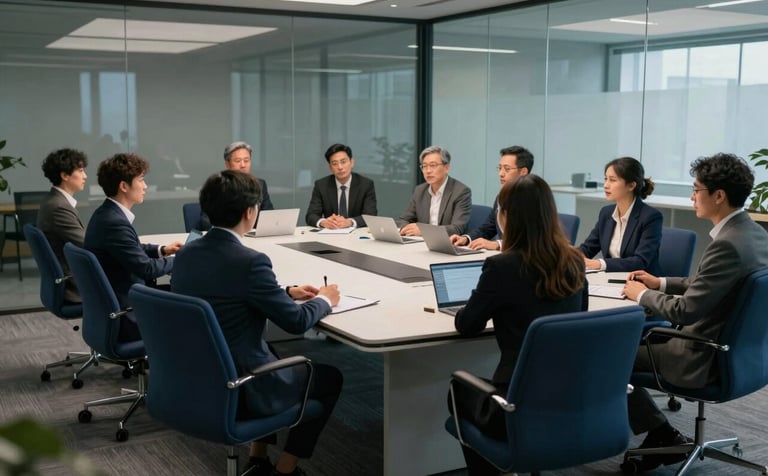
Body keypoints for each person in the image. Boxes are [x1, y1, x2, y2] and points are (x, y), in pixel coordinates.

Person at [171, 170, 343, 476]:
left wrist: (285, 292)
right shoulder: (250, 261)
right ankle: (286, 471)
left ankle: (258, 458)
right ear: (250, 213)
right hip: (239, 382)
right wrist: (325, 299)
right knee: (330, 377)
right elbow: (296, 322)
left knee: (269, 353)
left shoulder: (187, 254)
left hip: (195, 375)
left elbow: (223, 291)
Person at [621, 152, 768, 471]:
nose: (692, 197)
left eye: (696, 189)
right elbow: (709, 285)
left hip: (701, 357)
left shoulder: (726, 245)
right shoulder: (754, 234)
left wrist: (641, 294)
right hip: (743, 356)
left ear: (719, 195)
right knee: (636, 340)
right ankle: (660, 432)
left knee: (611, 354)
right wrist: (660, 282)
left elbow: (686, 312)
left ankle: (661, 433)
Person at [452, 174, 588, 476]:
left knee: (457, 390)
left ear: (506, 217)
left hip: (513, 406)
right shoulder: (575, 261)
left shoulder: (502, 266)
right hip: (568, 402)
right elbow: (580, 320)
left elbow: (467, 325)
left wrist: (475, 300)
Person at [84, 153, 181, 342]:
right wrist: (180, 259)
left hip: (118, 303)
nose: (145, 186)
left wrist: (163, 250)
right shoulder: (115, 223)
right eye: (141, 180)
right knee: (196, 305)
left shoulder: (106, 214)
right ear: (124, 186)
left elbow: (131, 248)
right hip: (129, 314)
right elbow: (147, 269)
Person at [578, 157, 662, 274]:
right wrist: (569, 256)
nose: (606, 185)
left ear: (631, 186)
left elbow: (640, 261)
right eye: (606, 179)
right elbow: (587, 248)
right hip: (608, 278)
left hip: (639, 280)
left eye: (612, 180)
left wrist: (600, 264)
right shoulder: (606, 213)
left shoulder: (650, 217)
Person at [449, 145, 533, 250]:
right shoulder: (501, 197)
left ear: (523, 172)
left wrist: (498, 244)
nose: (501, 174)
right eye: (500, 168)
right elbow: (488, 228)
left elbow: (530, 238)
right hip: (506, 255)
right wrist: (466, 239)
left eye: (507, 169)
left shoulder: (534, 199)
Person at [37, 148, 89, 303]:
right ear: (65, 175)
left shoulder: (53, 200)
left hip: (70, 278)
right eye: (80, 171)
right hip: (74, 286)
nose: (85, 176)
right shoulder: (59, 207)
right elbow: (88, 245)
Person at [396, 145, 471, 236]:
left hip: (445, 242)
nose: (428, 171)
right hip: (420, 241)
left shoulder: (461, 192)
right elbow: (403, 220)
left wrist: (424, 231)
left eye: (433, 165)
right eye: (424, 166)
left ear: (446, 168)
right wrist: (406, 228)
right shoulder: (420, 190)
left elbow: (457, 228)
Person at [198, 141, 274, 230]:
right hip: (226, 235)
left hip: (252, 234)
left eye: (246, 160)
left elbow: (268, 215)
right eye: (238, 161)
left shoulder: (260, 185)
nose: (243, 165)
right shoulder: (217, 186)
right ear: (227, 164)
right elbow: (206, 220)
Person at [305, 143, 377, 229]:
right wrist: (323, 222)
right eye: (334, 163)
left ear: (352, 162)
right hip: (331, 232)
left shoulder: (365, 184)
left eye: (343, 162)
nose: (340, 167)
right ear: (330, 167)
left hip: (356, 234)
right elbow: (311, 215)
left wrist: (349, 222)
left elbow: (370, 215)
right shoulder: (321, 185)